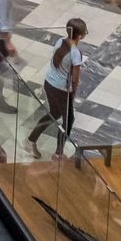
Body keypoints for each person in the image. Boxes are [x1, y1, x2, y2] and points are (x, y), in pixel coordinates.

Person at [28, 17, 88, 157]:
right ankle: (58, 154)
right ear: (80, 35)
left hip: (49, 83)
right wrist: (72, 95)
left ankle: (31, 141)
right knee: (69, 120)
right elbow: (75, 79)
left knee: (54, 113)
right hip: (61, 90)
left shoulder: (60, 41)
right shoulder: (75, 54)